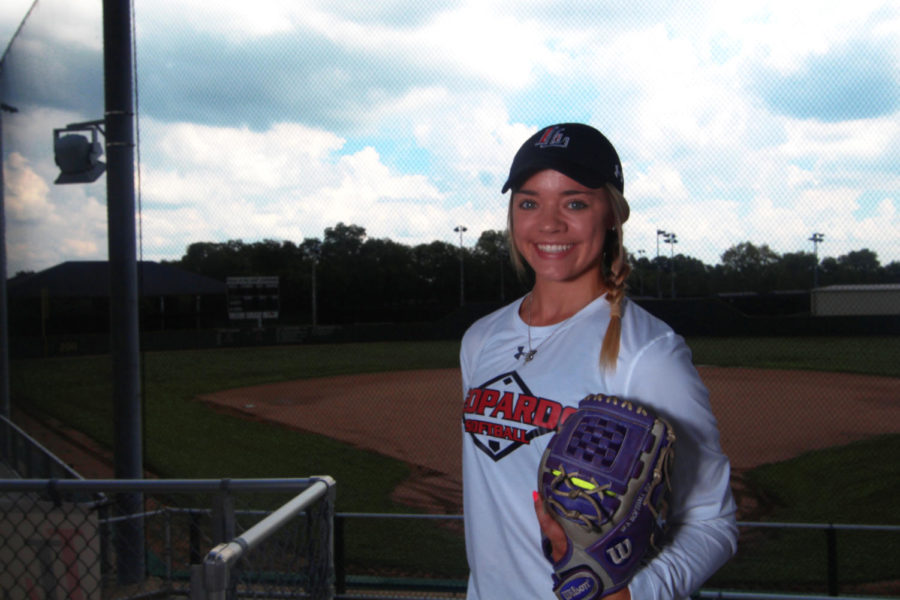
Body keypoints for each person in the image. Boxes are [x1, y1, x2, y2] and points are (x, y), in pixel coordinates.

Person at [460, 123, 738, 599]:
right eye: (529, 203)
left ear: (611, 213)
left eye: (575, 202)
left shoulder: (647, 354)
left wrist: (639, 594)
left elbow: (714, 521)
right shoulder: (480, 340)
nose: (549, 224)